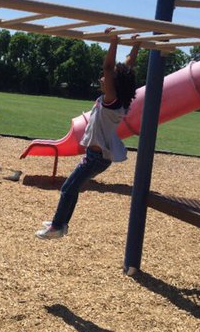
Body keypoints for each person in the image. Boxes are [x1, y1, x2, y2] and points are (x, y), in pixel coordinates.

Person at [36, 32, 139, 239]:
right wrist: (136, 46)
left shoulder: (112, 101)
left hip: (96, 157)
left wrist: (114, 41)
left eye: (107, 78)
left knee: (68, 189)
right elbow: (124, 68)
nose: (103, 77)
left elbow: (109, 68)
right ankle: (61, 223)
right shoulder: (116, 100)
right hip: (96, 157)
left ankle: (57, 227)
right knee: (71, 189)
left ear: (113, 83)